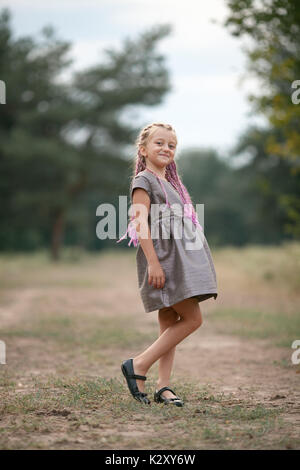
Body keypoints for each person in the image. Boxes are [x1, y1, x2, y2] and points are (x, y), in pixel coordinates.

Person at [117, 122, 218, 406]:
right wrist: (154, 264)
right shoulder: (144, 180)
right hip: (162, 259)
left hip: (177, 258)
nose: (166, 148)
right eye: (159, 143)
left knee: (169, 321)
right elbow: (140, 224)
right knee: (193, 319)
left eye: (171, 145)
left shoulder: (173, 184)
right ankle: (137, 365)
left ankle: (164, 386)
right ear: (143, 149)